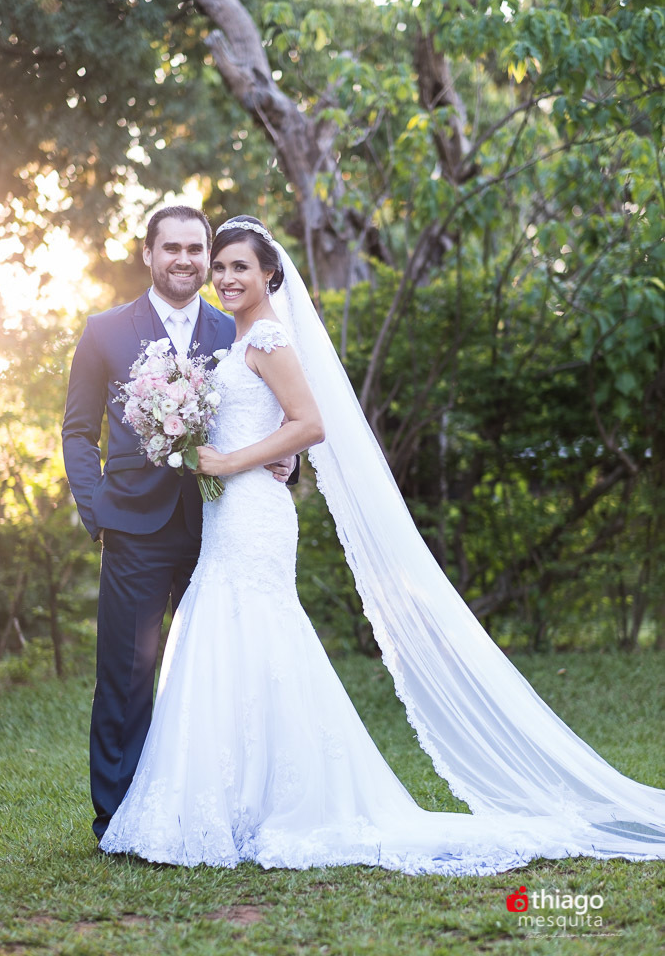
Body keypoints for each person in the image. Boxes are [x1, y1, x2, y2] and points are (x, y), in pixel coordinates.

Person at [99, 216, 665, 873]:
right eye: (219, 266)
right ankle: (229, 803)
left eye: (239, 268)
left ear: (269, 274)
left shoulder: (271, 337)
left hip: (253, 512)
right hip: (229, 515)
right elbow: (256, 419)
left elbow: (310, 423)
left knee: (254, 628)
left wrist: (234, 463)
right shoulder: (231, 337)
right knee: (227, 633)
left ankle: (271, 804)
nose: (225, 277)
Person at [62, 206, 296, 842]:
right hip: (134, 528)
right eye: (174, 248)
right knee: (127, 673)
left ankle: (210, 805)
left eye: (199, 249)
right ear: (149, 254)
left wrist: (287, 456)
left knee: (212, 669)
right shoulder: (106, 331)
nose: (188, 261)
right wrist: (97, 511)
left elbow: (277, 408)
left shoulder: (235, 327)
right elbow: (79, 432)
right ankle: (116, 815)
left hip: (219, 524)